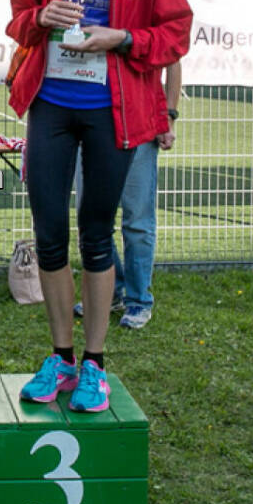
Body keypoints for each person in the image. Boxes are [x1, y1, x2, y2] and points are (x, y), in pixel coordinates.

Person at [6, 0, 192, 412]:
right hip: (53, 106)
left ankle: (95, 363)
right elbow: (17, 18)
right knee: (48, 233)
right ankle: (60, 358)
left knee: (96, 231)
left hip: (112, 109)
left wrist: (125, 37)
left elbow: (177, 33)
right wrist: (41, 15)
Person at [72, 62, 181, 329]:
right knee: (90, 218)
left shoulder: (145, 22)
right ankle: (109, 290)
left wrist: (169, 115)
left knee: (138, 220)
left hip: (139, 123)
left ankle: (138, 301)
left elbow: (173, 61)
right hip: (88, 122)